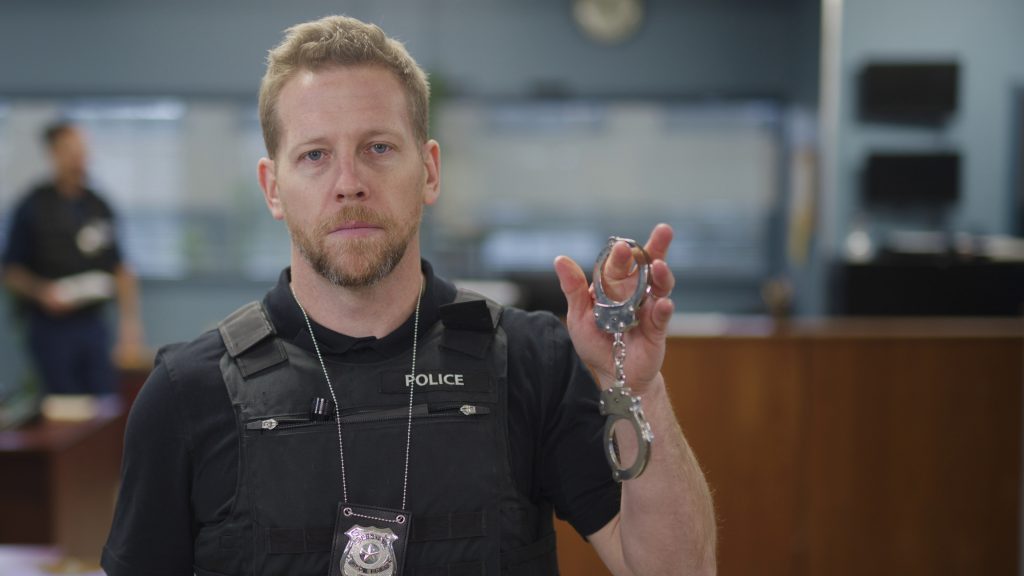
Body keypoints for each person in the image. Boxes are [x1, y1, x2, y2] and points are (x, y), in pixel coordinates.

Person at [102, 15, 715, 576]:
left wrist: (637, 386)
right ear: (272, 187)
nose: (349, 184)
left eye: (379, 148)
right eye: (315, 155)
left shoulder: (534, 363)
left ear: (429, 171)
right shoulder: (187, 395)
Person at [1, 122, 144, 396]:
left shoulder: (98, 205)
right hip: (49, 326)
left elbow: (120, 269)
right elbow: (10, 271)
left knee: (104, 401)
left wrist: (130, 326)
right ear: (54, 153)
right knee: (64, 403)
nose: (80, 158)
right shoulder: (33, 206)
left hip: (91, 322)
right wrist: (42, 293)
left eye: (83, 151)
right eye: (72, 151)